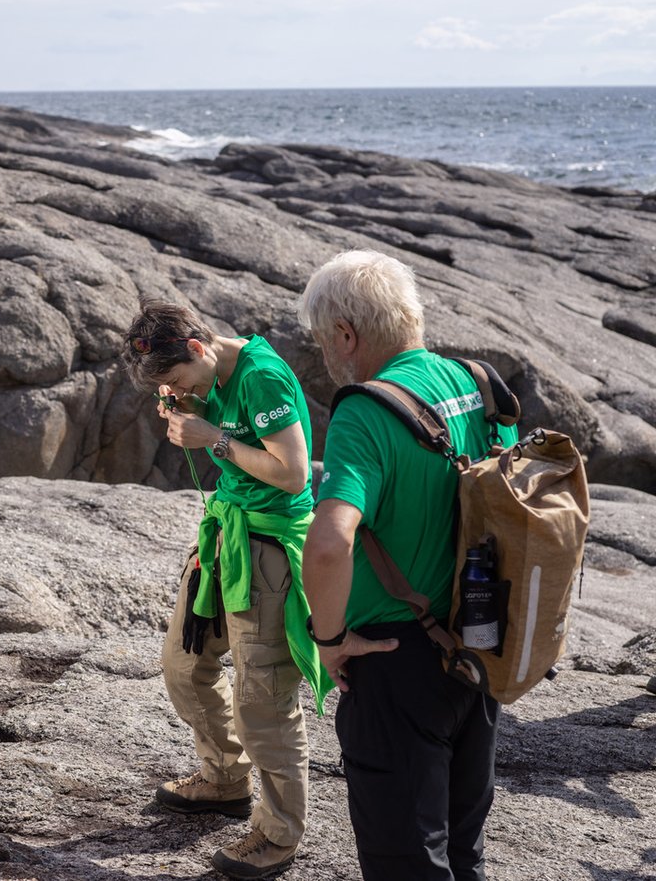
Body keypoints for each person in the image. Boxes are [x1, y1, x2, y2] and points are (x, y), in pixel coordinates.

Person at [297, 249, 519, 881]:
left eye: (323, 340)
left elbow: (331, 541)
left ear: (347, 333)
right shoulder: (474, 382)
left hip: (398, 661)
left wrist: (330, 640)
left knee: (406, 859)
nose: (325, 354)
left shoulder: (364, 411)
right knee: (462, 847)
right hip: (478, 645)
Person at [120, 299, 329, 880]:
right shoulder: (210, 371)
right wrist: (187, 402)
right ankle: (224, 778)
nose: (176, 388)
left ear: (197, 347)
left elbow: (293, 471)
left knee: (263, 700)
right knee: (184, 666)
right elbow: (220, 429)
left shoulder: (262, 377)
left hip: (268, 548)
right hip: (225, 534)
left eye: (177, 377)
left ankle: (277, 834)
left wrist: (211, 437)